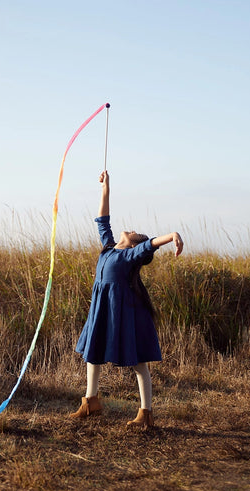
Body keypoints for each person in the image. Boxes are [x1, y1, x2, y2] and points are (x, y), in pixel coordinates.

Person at [70, 170, 183, 429]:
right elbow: (102, 220)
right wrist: (106, 187)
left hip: (121, 313)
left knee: (138, 362)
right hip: (102, 311)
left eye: (135, 233)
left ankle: (146, 413)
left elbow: (150, 245)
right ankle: (91, 401)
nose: (131, 229)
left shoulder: (129, 257)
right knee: (92, 353)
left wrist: (172, 235)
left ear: (133, 246)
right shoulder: (109, 248)